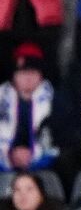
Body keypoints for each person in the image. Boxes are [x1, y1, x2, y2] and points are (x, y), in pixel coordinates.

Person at [0, 42, 57, 172]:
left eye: (33, 72)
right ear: (13, 75)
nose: (28, 78)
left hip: (44, 166)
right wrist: (10, 155)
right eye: (23, 72)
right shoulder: (2, 96)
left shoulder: (54, 99)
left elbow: (59, 141)